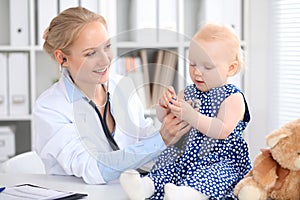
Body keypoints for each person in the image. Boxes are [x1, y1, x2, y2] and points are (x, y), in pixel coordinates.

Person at [33, 7, 191, 184]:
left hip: (123, 191)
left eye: (107, 46)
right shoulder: (50, 107)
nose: (106, 60)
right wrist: (160, 139)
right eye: (91, 53)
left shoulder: (122, 86)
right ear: (62, 58)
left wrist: (172, 127)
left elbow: (142, 138)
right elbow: (93, 169)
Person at [120, 23, 252, 199]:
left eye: (207, 66)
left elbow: (221, 130)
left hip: (220, 159)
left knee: (211, 176)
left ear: (231, 68)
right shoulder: (189, 91)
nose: (197, 72)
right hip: (186, 155)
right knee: (167, 166)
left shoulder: (232, 97)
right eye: (192, 64)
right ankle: (144, 187)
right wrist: (164, 107)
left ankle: (189, 194)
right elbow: (166, 118)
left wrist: (191, 115)